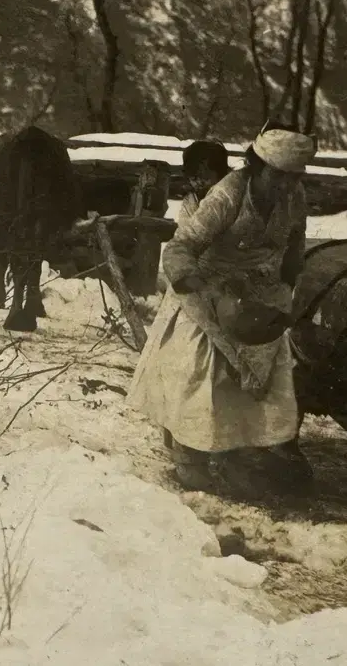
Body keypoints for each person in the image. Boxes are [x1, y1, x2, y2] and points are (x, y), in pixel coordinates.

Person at [127, 123, 316, 498]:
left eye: (293, 177)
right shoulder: (228, 193)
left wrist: (291, 291)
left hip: (259, 291)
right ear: (257, 164)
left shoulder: (295, 197)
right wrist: (209, 291)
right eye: (277, 176)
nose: (284, 185)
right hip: (207, 284)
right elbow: (181, 248)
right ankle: (189, 456)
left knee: (258, 377)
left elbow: (294, 246)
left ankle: (236, 450)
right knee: (202, 376)